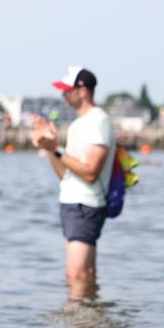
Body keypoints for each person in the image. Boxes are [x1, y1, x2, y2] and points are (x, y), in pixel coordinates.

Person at [31, 67, 115, 300]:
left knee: (77, 276)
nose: (63, 95)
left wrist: (56, 149)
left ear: (83, 91)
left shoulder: (98, 120)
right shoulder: (79, 124)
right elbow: (65, 175)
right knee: (81, 276)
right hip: (73, 204)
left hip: (85, 205)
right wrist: (50, 147)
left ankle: (79, 322)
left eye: (67, 90)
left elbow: (90, 172)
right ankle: (88, 319)